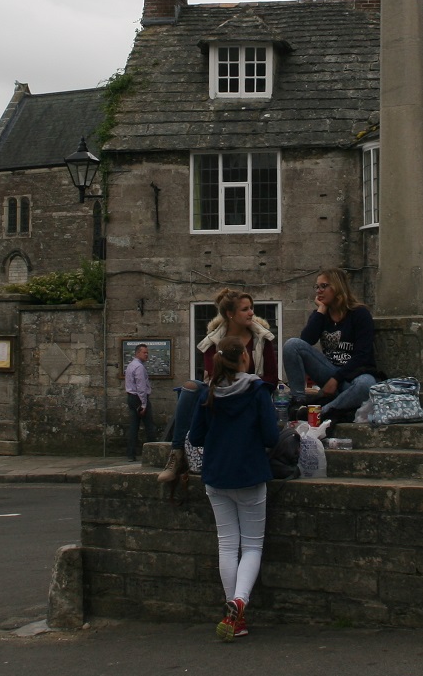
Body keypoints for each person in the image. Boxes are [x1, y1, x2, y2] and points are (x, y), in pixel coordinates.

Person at [187, 335, 279, 641]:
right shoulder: (256, 391)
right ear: (244, 358)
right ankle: (240, 601)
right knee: (252, 545)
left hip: (217, 476)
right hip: (249, 474)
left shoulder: (209, 392)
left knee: (227, 544)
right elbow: (270, 436)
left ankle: (234, 617)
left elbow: (196, 437)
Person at [159, 288, 270, 490]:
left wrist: (248, 383)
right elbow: (214, 376)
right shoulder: (213, 341)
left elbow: (270, 376)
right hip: (221, 391)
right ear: (230, 314)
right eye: (246, 309)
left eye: (251, 308)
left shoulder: (262, 338)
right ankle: (176, 454)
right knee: (190, 387)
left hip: (253, 392)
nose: (252, 313)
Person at [281, 269, 381, 418]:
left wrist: (336, 379)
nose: (319, 291)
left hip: (352, 376)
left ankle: (322, 412)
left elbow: (363, 355)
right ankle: (298, 402)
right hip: (328, 371)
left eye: (324, 286)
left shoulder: (359, 314)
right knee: (292, 344)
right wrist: (320, 310)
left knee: (366, 385)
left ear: (337, 287)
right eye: (317, 287)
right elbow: (306, 340)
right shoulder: (321, 315)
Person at [124, 344, 155, 461]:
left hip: (131, 397)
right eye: (144, 353)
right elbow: (141, 387)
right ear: (137, 353)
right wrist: (143, 404)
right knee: (149, 427)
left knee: (133, 427)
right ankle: (153, 453)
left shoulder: (131, 365)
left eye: (147, 353)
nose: (147, 355)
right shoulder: (139, 367)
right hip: (139, 398)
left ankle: (131, 454)